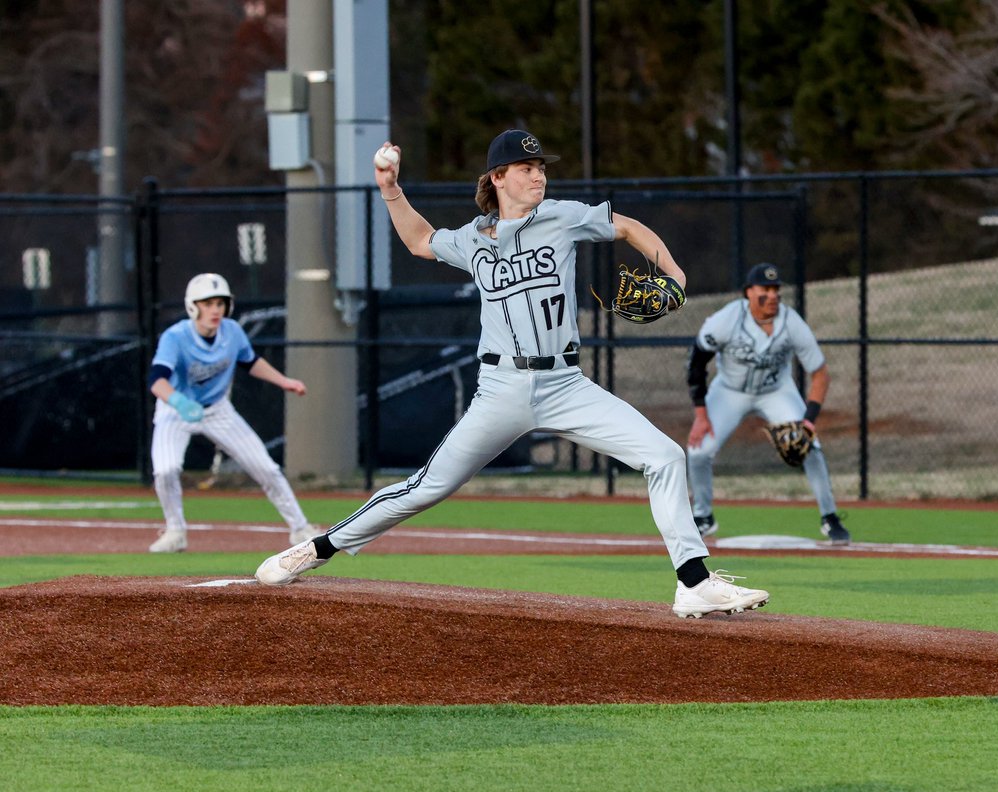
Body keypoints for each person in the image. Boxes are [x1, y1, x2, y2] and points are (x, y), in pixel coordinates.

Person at [255, 129, 770, 619]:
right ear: (498, 177)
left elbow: (629, 227)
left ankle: (694, 582)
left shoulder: (562, 217)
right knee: (426, 487)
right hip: (500, 389)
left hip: (566, 384)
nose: (538, 176)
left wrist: (674, 274)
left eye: (541, 167)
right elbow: (420, 241)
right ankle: (318, 548)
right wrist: (390, 190)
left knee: (664, 456)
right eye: (526, 168)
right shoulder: (473, 239)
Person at [146, 273, 319, 552]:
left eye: (220, 303)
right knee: (166, 470)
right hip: (175, 409)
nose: (215, 310)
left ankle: (300, 529)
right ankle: (176, 531)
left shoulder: (232, 332)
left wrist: (284, 381)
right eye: (208, 303)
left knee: (266, 467)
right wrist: (179, 403)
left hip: (217, 409)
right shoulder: (175, 337)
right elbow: (156, 380)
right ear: (193, 306)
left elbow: (250, 362)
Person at [686, 262, 851, 545]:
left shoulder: (791, 323)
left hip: (777, 391)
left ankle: (830, 517)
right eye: (765, 289)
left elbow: (821, 375)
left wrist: (808, 421)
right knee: (698, 451)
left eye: (776, 289)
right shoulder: (726, 319)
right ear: (749, 292)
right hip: (729, 391)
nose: (772, 295)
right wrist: (701, 415)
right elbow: (697, 364)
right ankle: (703, 516)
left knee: (810, 446)